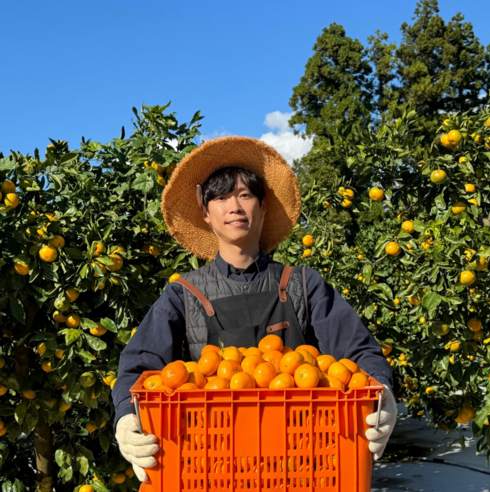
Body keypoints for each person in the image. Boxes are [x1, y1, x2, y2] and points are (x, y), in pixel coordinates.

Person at [113, 136, 397, 484]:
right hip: (209, 467)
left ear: (263, 207)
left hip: (302, 464)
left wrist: (383, 395)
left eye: (245, 195)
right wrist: (127, 418)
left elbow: (360, 352)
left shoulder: (304, 285)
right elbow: (139, 366)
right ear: (206, 213)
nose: (234, 206)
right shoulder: (182, 294)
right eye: (220, 197)